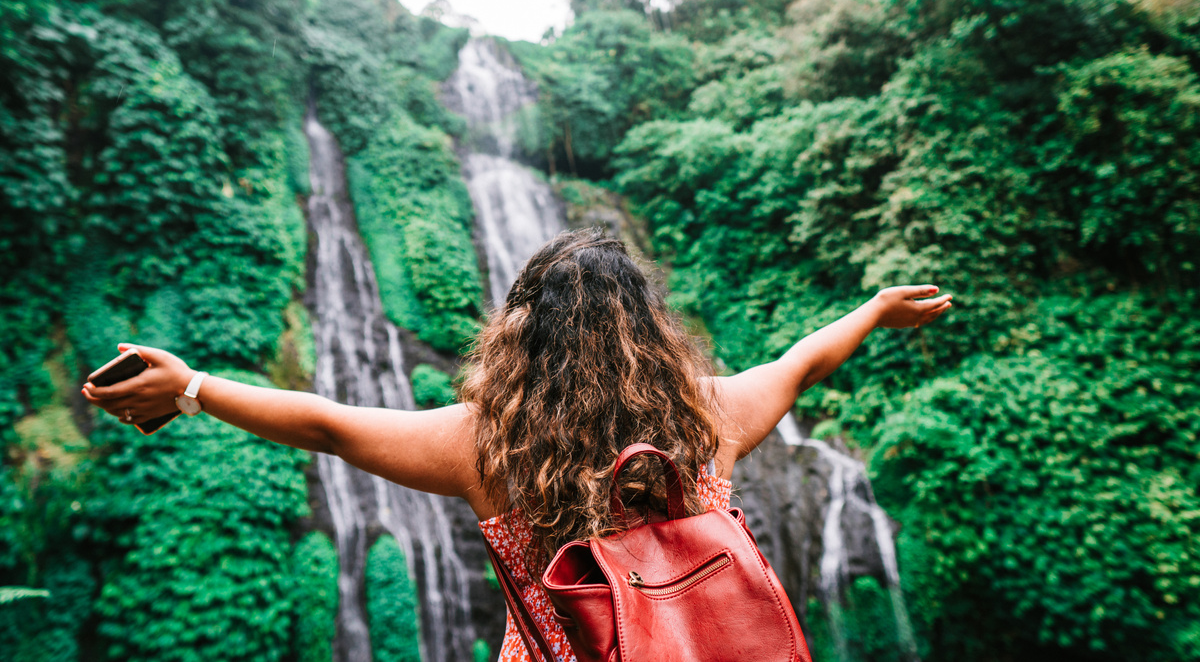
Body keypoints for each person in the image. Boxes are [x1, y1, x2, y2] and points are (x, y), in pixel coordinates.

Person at [81, 229, 952, 662]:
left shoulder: (487, 447)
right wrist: (875, 309)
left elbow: (325, 423)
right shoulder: (706, 418)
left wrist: (191, 388)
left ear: (521, 333)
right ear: (649, 331)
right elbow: (801, 361)